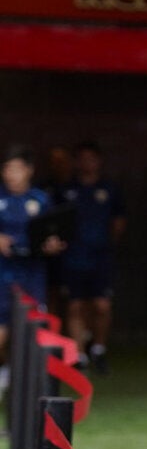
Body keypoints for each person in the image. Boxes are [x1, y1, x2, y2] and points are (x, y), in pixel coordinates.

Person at [57, 141, 125, 374]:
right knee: (75, 305)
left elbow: (118, 221)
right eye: (83, 159)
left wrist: (108, 243)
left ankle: (98, 348)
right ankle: (80, 355)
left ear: (99, 161)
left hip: (101, 256)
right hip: (74, 257)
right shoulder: (66, 190)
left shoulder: (109, 189)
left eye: (91, 159)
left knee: (102, 305)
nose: (87, 163)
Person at [0, 146, 64, 391]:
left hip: (32, 274)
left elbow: (53, 233)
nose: (11, 175)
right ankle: (4, 369)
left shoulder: (41, 199)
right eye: (7, 169)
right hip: (3, 272)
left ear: (29, 170)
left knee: (31, 332)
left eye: (16, 169)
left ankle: (23, 382)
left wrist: (53, 244)